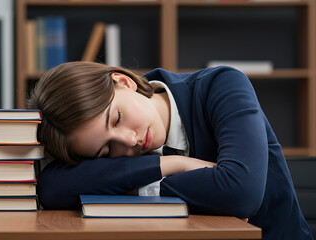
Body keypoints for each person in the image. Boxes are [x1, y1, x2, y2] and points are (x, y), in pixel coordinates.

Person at [27, 61, 313, 240]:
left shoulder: (221, 85)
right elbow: (52, 188)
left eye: (117, 118)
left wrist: (135, 191)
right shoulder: (137, 148)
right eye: (106, 150)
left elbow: (242, 193)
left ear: (124, 82)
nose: (128, 142)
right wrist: (174, 165)